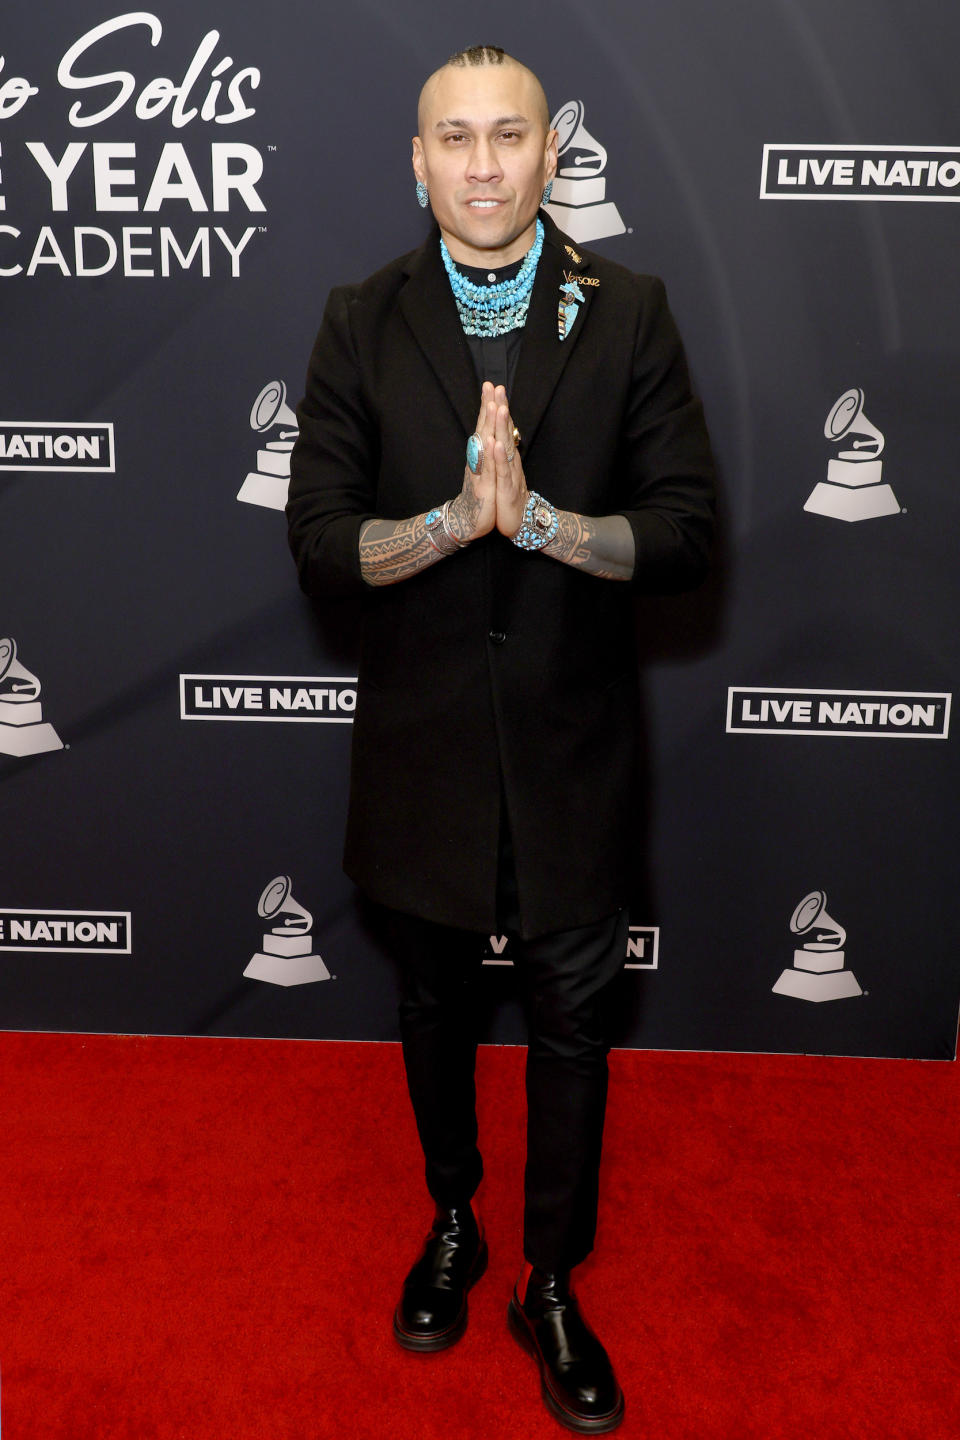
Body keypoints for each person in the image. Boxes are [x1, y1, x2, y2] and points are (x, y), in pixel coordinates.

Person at [287, 45, 715, 1435]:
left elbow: (686, 533)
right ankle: (457, 1220)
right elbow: (319, 544)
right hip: (418, 754)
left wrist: (536, 526)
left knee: (573, 1026)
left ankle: (548, 1278)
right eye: (453, 139)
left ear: (551, 155)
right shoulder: (361, 319)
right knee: (429, 1006)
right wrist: (448, 526)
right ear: (416, 163)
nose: (481, 164)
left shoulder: (632, 309)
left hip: (573, 751)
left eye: (508, 136)